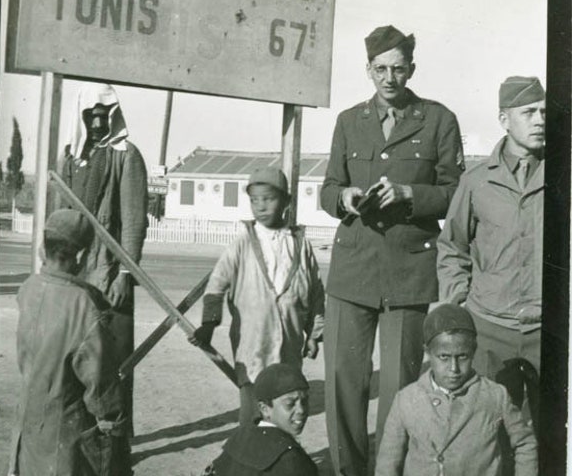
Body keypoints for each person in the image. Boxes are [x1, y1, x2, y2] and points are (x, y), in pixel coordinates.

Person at [320, 25, 465, 475]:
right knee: (345, 384)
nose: (389, 78)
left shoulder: (439, 119)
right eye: (380, 69)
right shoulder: (348, 121)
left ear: (411, 70)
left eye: (398, 69)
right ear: (368, 69)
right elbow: (328, 188)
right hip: (352, 272)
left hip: (408, 273)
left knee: (400, 388)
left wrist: (408, 194)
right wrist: (342, 198)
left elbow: (456, 192)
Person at [437, 76, 545, 428]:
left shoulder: (563, 174)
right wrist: (460, 307)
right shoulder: (477, 181)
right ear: (504, 119)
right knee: (489, 432)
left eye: (544, 111)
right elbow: (452, 246)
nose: (540, 120)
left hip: (549, 332)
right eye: (528, 112)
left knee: (553, 433)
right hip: (490, 330)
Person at [190, 167, 324, 425]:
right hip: (252, 347)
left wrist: (314, 336)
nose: (261, 206)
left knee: (285, 408)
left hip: (289, 346)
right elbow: (216, 286)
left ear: (286, 201)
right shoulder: (241, 245)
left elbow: (315, 293)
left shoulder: (300, 245)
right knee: (252, 411)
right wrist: (208, 324)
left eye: (269, 199)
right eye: (254, 200)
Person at [8, 209, 129, 476]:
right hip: (64, 441)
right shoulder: (83, 307)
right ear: (82, 256)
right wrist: (115, 426)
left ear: (43, 248)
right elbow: (101, 389)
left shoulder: (28, 289)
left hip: (27, 428)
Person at [66, 82, 148, 431]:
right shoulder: (71, 158)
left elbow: (133, 224)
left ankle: (116, 453)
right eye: (92, 116)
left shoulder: (126, 156)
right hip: (76, 280)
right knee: (77, 365)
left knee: (113, 369)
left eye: (104, 116)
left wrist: (124, 276)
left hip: (110, 280)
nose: (98, 124)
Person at [375, 304, 538, 476]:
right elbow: (388, 462)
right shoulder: (407, 399)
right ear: (428, 353)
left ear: (473, 352)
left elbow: (525, 444)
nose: (454, 369)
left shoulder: (495, 395)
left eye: (462, 357)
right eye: (444, 357)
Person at [202, 363, 318, 476]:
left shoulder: (239, 437)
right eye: (290, 403)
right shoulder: (293, 460)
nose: (301, 410)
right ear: (264, 408)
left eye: (304, 401)